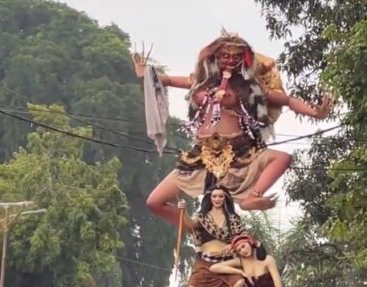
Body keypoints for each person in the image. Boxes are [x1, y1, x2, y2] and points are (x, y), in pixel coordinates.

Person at [137, 31, 334, 224]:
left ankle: (253, 196)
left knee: (282, 158)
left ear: (244, 59)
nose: (230, 60)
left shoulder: (250, 88)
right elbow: (167, 80)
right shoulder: (200, 82)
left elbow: (288, 100)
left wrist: (315, 112)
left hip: (238, 155)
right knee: (155, 202)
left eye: (236, 56)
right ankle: (195, 229)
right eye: (225, 55)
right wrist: (145, 74)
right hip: (201, 156)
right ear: (215, 56)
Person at [179, 185, 246, 287]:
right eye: (214, 196)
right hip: (205, 262)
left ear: (225, 198)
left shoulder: (233, 219)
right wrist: (183, 211)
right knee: (192, 286)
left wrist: (232, 245)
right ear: (210, 198)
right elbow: (190, 223)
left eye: (220, 196)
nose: (217, 199)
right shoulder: (203, 217)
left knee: (240, 282)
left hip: (226, 262)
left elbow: (243, 240)